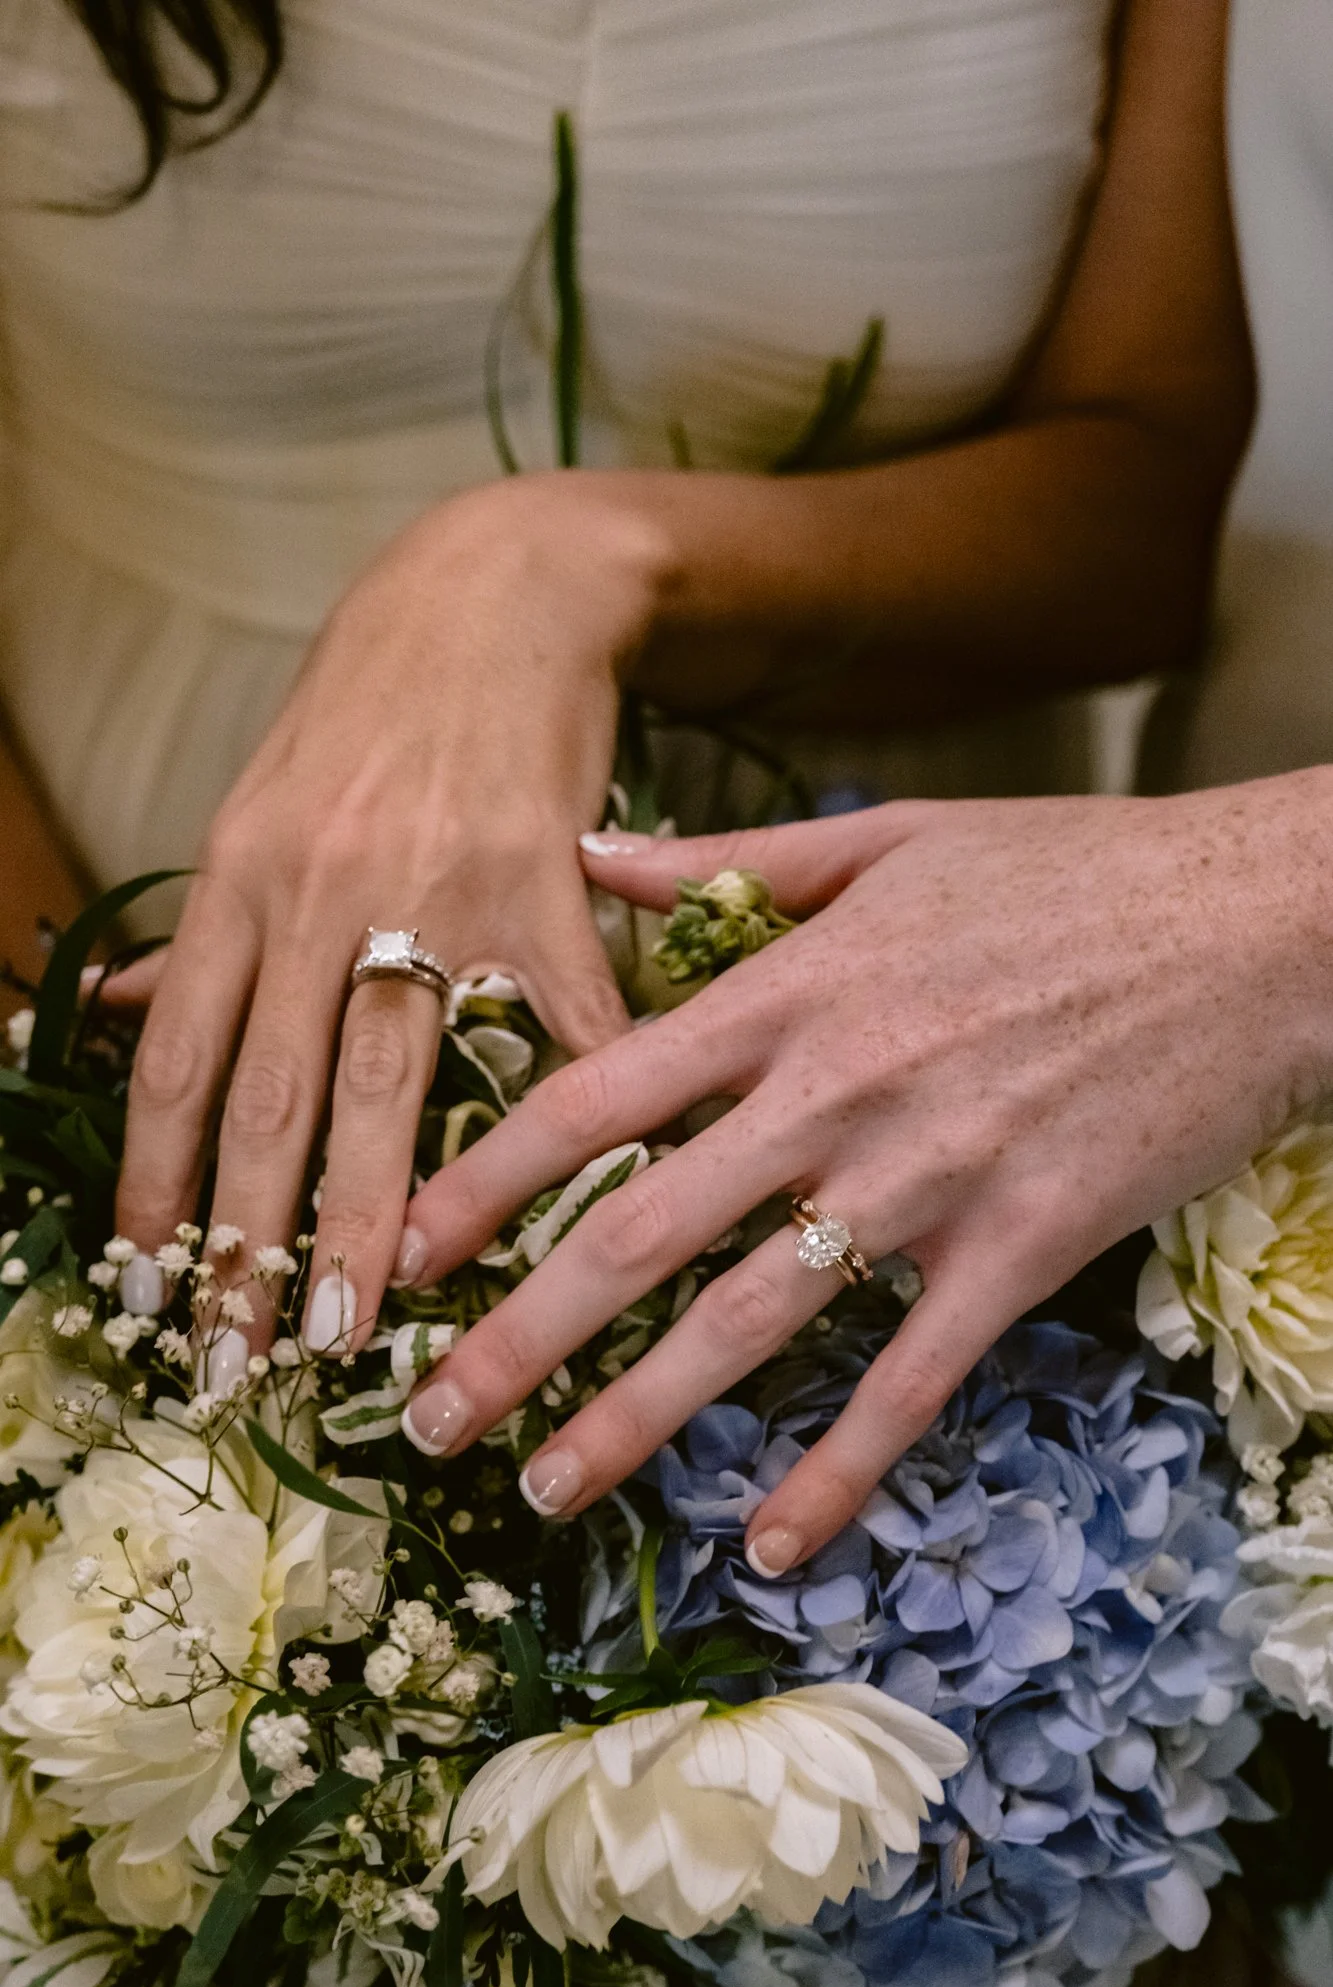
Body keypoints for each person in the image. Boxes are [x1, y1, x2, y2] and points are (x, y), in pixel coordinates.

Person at [0, 0, 1252, 1559]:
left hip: (892, 984)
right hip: (105, 842)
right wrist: (51, 1089)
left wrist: (571, 561)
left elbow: (1148, 525)